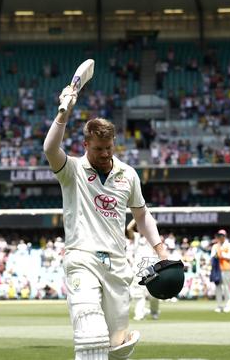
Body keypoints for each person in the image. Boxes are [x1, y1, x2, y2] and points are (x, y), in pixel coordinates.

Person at [43, 85, 168, 360]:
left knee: (118, 347)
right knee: (91, 336)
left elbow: (142, 215)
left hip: (117, 266)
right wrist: (64, 111)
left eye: (108, 148)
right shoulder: (72, 170)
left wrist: (161, 251)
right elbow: (50, 148)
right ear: (85, 144)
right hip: (82, 259)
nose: (104, 154)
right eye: (98, 148)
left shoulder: (128, 175)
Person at [125, 219, 160, 321]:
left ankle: (154, 312)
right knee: (138, 294)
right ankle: (139, 314)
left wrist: (145, 216)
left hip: (150, 268)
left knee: (153, 294)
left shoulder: (151, 237)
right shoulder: (136, 237)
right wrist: (137, 216)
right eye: (140, 226)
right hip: (137, 269)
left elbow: (154, 226)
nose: (141, 228)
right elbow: (128, 228)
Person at [211, 229, 230, 313]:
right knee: (218, 287)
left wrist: (221, 255)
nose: (220, 237)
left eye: (222, 235)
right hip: (217, 269)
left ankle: (228, 305)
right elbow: (212, 256)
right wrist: (216, 255)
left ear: (225, 236)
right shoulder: (215, 246)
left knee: (226, 288)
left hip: (226, 269)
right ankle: (219, 305)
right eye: (219, 236)